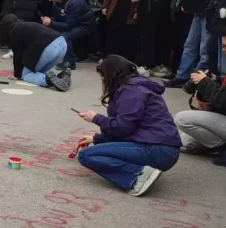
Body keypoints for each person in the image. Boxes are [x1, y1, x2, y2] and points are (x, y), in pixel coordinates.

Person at [75, 55, 181, 196]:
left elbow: (122, 127)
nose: (102, 80)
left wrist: (96, 118)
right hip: (159, 147)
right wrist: (96, 139)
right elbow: (127, 129)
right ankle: (142, 170)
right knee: (96, 151)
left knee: (86, 156)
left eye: (103, 76)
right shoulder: (134, 87)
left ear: (111, 74)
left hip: (157, 149)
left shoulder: (132, 91)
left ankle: (138, 175)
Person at [174, 21, 226, 165]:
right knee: (182, 142)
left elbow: (224, 100)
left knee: (182, 119)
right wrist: (214, 80)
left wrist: (204, 82)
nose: (223, 50)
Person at [1, 14, 71, 90]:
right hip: (62, 43)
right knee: (40, 71)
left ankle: (49, 81)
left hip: (48, 47)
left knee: (26, 74)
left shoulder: (13, 31)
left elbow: (17, 55)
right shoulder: (26, 25)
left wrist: (18, 75)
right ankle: (60, 77)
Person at [42, 0, 95, 69]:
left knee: (64, 37)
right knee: (49, 30)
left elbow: (68, 25)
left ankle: (70, 61)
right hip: (70, 21)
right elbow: (56, 16)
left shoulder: (75, 2)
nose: (49, 0)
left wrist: (51, 23)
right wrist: (50, 21)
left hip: (84, 25)